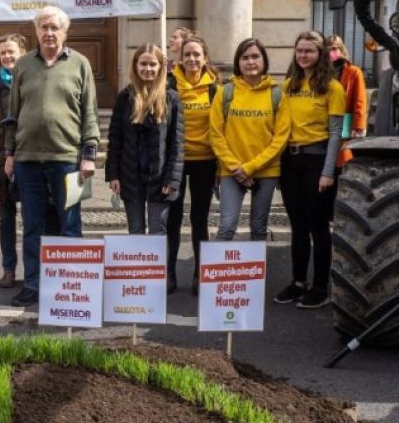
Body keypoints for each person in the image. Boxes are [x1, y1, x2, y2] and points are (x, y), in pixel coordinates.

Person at [3, 6, 100, 307]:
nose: (48, 32)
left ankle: (71, 287)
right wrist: (9, 152)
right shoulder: (23, 65)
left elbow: (89, 113)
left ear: (65, 31)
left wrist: (89, 154)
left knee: (70, 225)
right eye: (43, 27)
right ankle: (33, 285)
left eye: (54, 27)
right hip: (27, 160)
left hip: (68, 159)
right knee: (32, 225)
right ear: (36, 31)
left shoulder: (81, 64)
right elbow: (12, 114)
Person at [273, 31, 346, 309]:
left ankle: (320, 287)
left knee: (318, 227)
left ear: (321, 55)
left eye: (310, 51)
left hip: (318, 163)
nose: (303, 55)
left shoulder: (332, 87)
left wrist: (328, 172)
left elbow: (335, 134)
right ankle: (298, 282)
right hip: (291, 163)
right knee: (298, 226)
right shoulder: (288, 85)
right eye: (300, 50)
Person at [209, 38, 290, 242]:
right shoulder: (225, 92)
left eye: (255, 56)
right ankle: (219, 273)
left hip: (266, 171)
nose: (250, 62)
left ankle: (255, 275)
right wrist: (237, 168)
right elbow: (216, 135)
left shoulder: (277, 93)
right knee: (226, 228)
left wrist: (250, 168)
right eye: (245, 57)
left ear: (263, 60)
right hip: (232, 171)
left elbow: (280, 139)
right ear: (238, 62)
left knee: (259, 229)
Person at [106, 43, 184, 234]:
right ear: (135, 65)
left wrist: (172, 180)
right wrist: (113, 174)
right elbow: (115, 139)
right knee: (136, 230)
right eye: (143, 64)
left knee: (158, 231)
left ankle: (159, 266)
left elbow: (177, 144)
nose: (148, 69)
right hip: (130, 176)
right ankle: (137, 265)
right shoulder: (125, 97)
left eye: (153, 64)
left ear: (160, 67)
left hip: (160, 177)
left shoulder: (171, 99)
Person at [167, 35, 219, 294]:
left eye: (197, 54)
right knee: (172, 220)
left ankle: (201, 275)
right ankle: (169, 275)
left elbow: (221, 126)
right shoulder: (169, 83)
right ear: (180, 58)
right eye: (187, 54)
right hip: (175, 162)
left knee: (199, 219)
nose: (191, 59)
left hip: (205, 162)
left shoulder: (215, 87)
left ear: (205, 58)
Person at [0, 33, 28, 288]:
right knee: (6, 217)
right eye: (3, 53)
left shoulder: (32, 80)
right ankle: (8, 268)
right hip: (1, 157)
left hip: (28, 156)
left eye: (11, 51)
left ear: (23, 53)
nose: (7, 56)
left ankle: (32, 271)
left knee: (31, 217)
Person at [326, 34, 368, 171]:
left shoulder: (354, 72)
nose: (331, 52)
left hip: (345, 128)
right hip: (322, 126)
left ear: (341, 49)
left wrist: (358, 129)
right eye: (327, 49)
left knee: (342, 165)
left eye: (334, 48)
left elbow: (360, 101)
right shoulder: (320, 72)